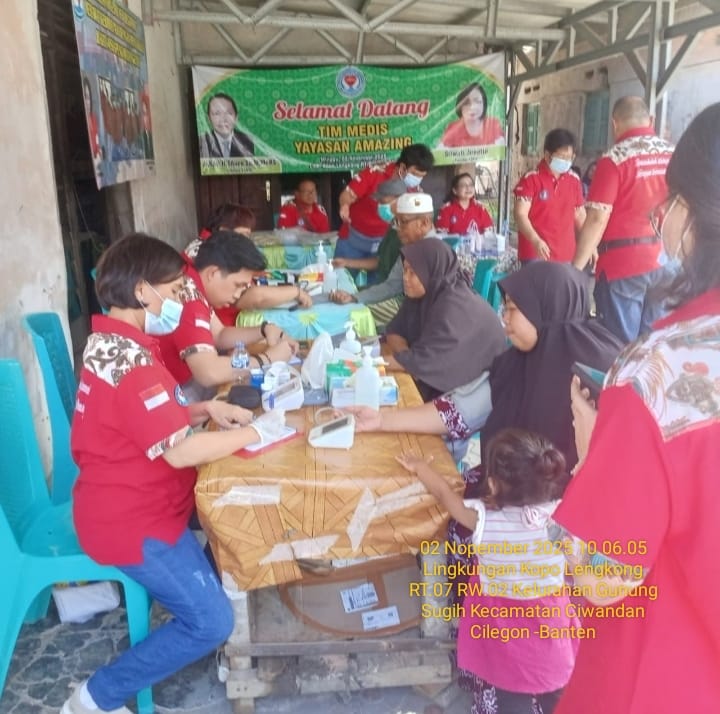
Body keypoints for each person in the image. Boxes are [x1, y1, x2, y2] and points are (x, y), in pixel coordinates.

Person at [64, 233, 286, 714]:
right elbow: (181, 454)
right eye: (171, 289)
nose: (179, 300)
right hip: (132, 521)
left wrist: (204, 409)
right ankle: (95, 698)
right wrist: (258, 432)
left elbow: (142, 420)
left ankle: (202, 599)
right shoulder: (131, 362)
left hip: (131, 501)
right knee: (211, 623)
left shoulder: (112, 343)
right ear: (142, 291)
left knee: (229, 521)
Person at [553, 102, 720, 714]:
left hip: (666, 683)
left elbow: (600, 576)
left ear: (694, 212)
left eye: (669, 202)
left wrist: (593, 455)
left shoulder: (658, 372)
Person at [348, 261, 624, 469]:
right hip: (511, 494)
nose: (504, 318)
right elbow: (460, 410)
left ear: (542, 309)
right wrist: (381, 420)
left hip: (566, 518)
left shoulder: (599, 368)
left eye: (512, 309)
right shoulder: (517, 362)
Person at [397, 429, 576, 714]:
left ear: (492, 484)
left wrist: (420, 467)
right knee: (558, 700)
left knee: (512, 703)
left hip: (507, 644)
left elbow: (444, 495)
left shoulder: (483, 520)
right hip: (550, 638)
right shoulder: (560, 517)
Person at [572, 96, 675, 343]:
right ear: (651, 120)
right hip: (668, 260)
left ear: (614, 124)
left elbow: (597, 218)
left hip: (624, 265)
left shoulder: (615, 158)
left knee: (618, 345)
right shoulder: (674, 154)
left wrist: (574, 270)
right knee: (654, 345)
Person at [159, 231, 297, 402]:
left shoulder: (193, 282)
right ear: (213, 273)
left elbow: (219, 334)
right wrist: (267, 359)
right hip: (174, 390)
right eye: (237, 285)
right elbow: (209, 372)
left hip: (182, 381)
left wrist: (264, 329)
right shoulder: (189, 298)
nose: (238, 295)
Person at [384, 239, 506, 401]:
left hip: (476, 393)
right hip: (440, 377)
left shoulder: (452, 307)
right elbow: (395, 332)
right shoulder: (426, 291)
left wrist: (373, 363)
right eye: (405, 270)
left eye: (412, 272)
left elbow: (422, 363)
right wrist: (407, 358)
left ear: (431, 270)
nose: (405, 278)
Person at [185, 204, 313, 326]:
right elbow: (252, 298)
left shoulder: (206, 245)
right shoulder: (213, 252)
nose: (246, 241)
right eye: (243, 235)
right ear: (224, 231)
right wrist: (296, 292)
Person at [330, 192, 437, 328]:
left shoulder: (435, 253)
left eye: (403, 222)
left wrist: (356, 299)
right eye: (396, 222)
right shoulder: (411, 247)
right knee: (349, 306)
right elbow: (392, 285)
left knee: (354, 314)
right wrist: (354, 297)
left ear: (424, 223)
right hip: (406, 308)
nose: (398, 229)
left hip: (420, 317)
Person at [335, 143, 434, 262]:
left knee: (380, 273)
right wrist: (345, 206)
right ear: (402, 167)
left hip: (383, 244)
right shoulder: (375, 172)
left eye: (421, 177)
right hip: (352, 240)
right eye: (415, 174)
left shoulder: (415, 190)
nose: (417, 180)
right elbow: (347, 194)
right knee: (341, 273)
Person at [514, 129, 586, 264]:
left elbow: (580, 215)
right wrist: (535, 240)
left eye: (569, 158)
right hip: (535, 253)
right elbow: (520, 214)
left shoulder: (574, 180)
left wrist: (589, 245)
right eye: (562, 157)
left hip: (566, 255)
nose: (566, 161)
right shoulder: (531, 179)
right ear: (547, 155)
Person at [331, 177, 406, 289]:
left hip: (393, 291)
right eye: (378, 202)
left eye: (383, 202)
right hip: (382, 288)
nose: (379, 206)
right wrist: (346, 262)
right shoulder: (392, 229)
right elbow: (380, 262)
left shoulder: (407, 232)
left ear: (400, 201)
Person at [439, 82, 505, 148]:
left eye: (477, 101)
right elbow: (441, 151)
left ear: (484, 103)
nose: (472, 107)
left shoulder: (493, 125)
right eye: (466, 103)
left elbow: (501, 149)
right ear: (460, 106)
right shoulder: (453, 128)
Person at [198, 93, 254, 159]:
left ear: (236, 117)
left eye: (229, 113)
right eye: (217, 113)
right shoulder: (201, 142)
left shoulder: (246, 140)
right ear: (208, 118)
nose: (223, 119)